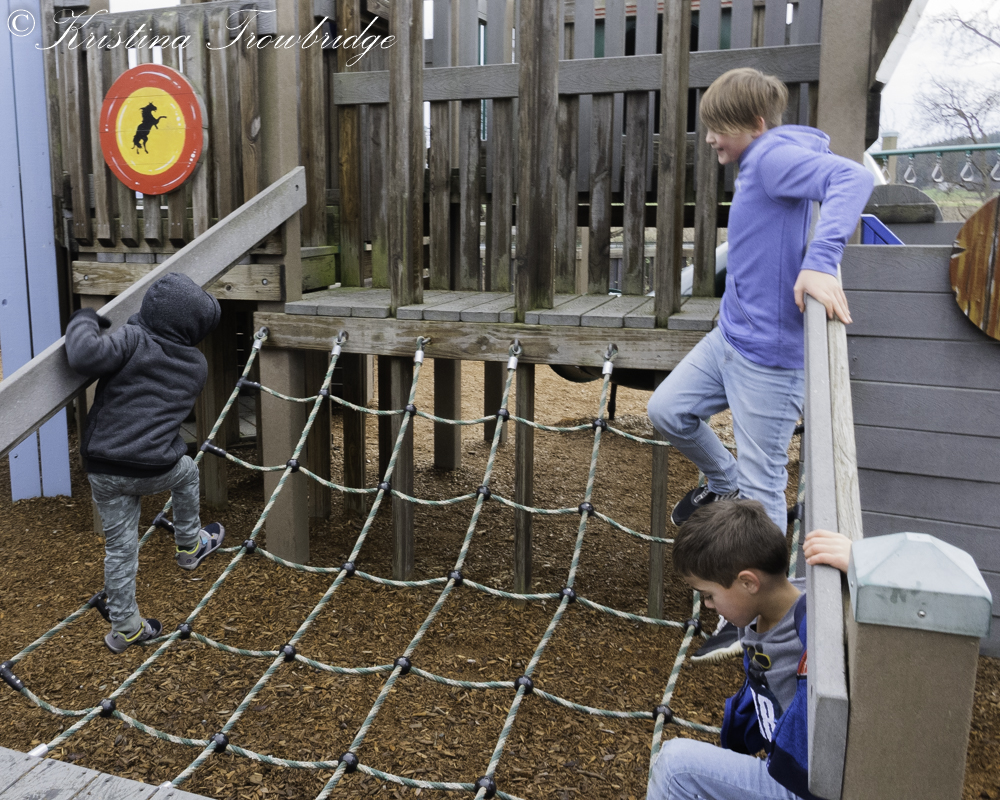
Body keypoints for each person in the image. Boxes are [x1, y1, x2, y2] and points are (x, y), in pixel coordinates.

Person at [646, 67, 872, 660]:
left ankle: (764, 618)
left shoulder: (772, 157)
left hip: (769, 360)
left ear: (755, 123)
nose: (710, 140)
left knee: (764, 485)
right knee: (667, 410)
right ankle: (721, 484)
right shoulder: (762, 161)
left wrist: (819, 260)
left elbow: (851, 178)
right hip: (730, 338)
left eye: (719, 128)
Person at [647, 500, 852, 800]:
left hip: (807, 786)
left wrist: (860, 564)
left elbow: (883, 638)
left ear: (748, 583)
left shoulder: (815, 622)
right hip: (784, 768)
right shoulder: (757, 615)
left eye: (709, 595)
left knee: (674, 768)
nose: (708, 605)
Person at [66, 273, 226, 654]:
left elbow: (84, 355)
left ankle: (125, 626)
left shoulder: (132, 339)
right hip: (153, 468)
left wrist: (83, 319)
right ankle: (189, 545)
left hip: (103, 467)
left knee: (121, 549)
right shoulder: (197, 366)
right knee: (188, 472)